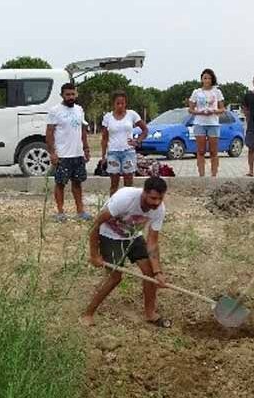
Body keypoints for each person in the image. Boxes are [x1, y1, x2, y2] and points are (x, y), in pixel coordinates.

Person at [82, 177, 170, 328]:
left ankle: (150, 313)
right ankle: (88, 313)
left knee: (150, 275)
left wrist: (158, 272)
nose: (156, 203)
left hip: (133, 235)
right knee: (115, 277)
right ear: (144, 193)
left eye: (160, 199)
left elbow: (152, 241)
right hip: (109, 235)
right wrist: (94, 254)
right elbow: (96, 223)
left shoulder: (159, 209)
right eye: (153, 198)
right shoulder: (125, 198)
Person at [46, 82, 91, 222]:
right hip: (62, 155)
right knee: (60, 184)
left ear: (76, 94)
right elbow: (49, 133)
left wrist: (86, 148)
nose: (71, 97)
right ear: (62, 95)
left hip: (77, 154)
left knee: (77, 183)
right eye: (68, 94)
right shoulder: (55, 111)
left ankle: (80, 211)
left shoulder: (79, 110)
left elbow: (83, 130)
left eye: (73, 94)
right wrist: (52, 153)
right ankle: (60, 212)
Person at [101, 91, 149, 195]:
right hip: (113, 152)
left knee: (128, 184)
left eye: (122, 103)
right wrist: (103, 155)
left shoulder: (132, 115)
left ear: (125, 103)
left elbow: (145, 130)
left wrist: (137, 141)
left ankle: (128, 206)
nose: (120, 106)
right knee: (114, 183)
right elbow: (104, 137)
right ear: (113, 104)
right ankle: (113, 206)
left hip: (128, 152)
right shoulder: (108, 117)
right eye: (117, 103)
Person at [188, 69, 225, 177]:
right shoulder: (196, 92)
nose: (207, 80)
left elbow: (222, 109)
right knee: (201, 150)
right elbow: (190, 109)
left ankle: (214, 175)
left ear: (212, 79)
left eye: (209, 78)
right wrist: (200, 112)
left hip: (213, 123)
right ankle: (201, 175)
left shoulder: (217, 92)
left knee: (213, 151)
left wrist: (214, 111)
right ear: (201, 79)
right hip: (200, 123)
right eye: (205, 78)